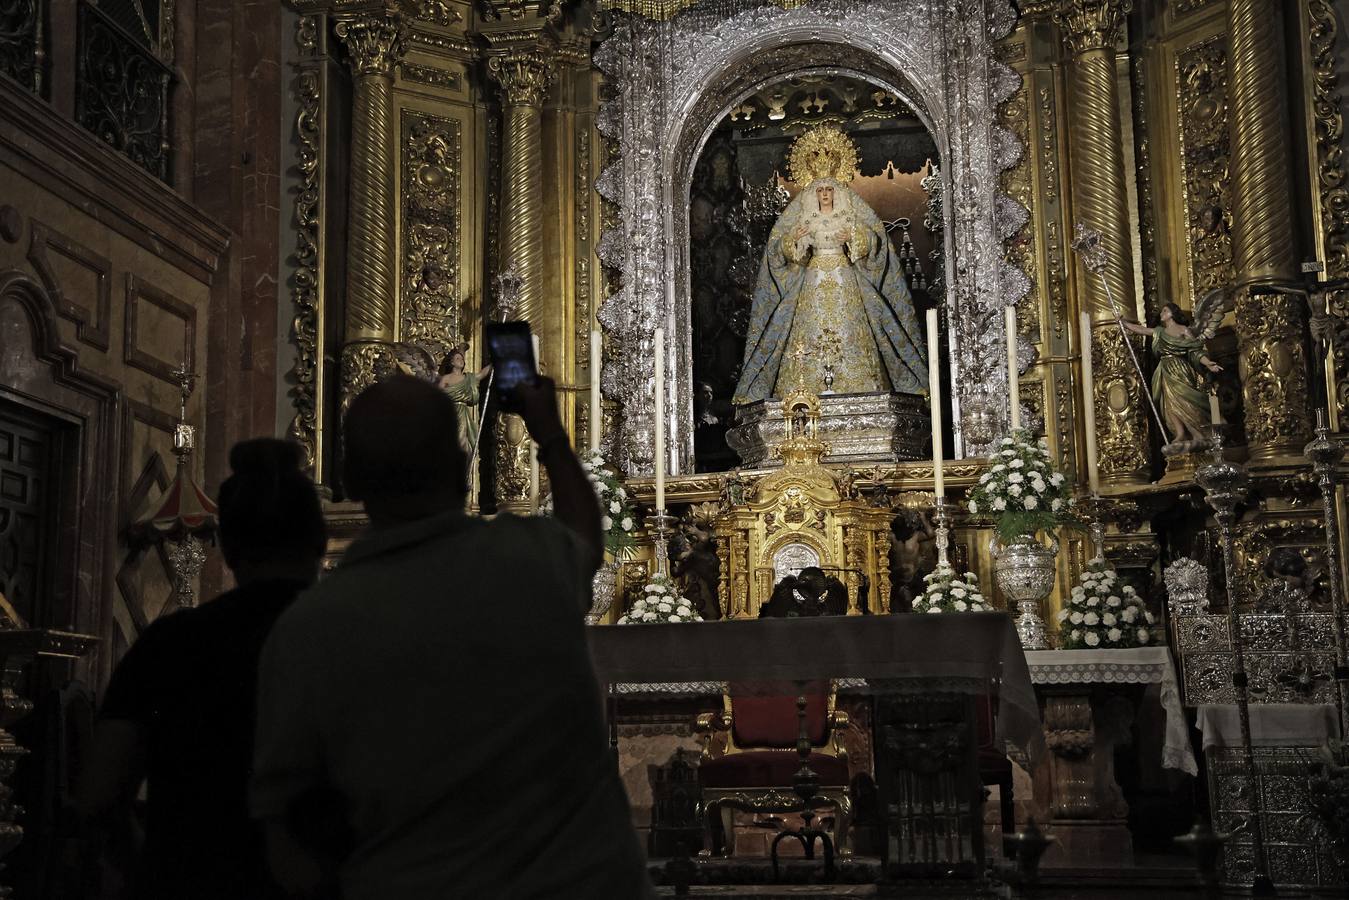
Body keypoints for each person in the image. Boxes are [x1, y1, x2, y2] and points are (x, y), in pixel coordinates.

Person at [251, 375, 654, 899]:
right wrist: (550, 436)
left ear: (351, 478)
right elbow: (585, 535)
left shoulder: (310, 626)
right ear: (465, 469)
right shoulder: (530, 559)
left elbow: (285, 829)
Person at [77, 439, 327, 900]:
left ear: (228, 548)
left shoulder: (170, 644)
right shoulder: (355, 640)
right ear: (319, 542)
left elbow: (99, 794)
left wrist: (145, 869)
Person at [733, 170, 927, 404]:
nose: (825, 194)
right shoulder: (805, 216)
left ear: (836, 193)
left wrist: (855, 237)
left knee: (852, 327)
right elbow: (779, 249)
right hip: (812, 278)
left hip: (844, 276)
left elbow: (875, 239)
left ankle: (859, 388)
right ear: (814, 195)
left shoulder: (848, 214)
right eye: (820, 190)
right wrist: (792, 239)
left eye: (829, 190)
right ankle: (802, 391)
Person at [1120, 302, 1222, 451]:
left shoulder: (1183, 330)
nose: (1162, 313)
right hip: (1165, 369)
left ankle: (1197, 432)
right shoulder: (1159, 331)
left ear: (1172, 313)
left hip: (1181, 368)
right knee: (1170, 402)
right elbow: (1142, 330)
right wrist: (1123, 323)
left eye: (1165, 310)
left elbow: (1195, 350)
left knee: (1185, 398)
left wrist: (1208, 363)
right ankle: (1180, 432)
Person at [436, 347, 491, 455]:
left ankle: (462, 468)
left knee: (463, 444)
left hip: (463, 415)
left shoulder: (468, 378)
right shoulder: (446, 378)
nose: (461, 360)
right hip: (450, 413)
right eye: (458, 358)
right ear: (452, 362)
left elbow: (481, 374)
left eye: (462, 359)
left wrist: (494, 363)